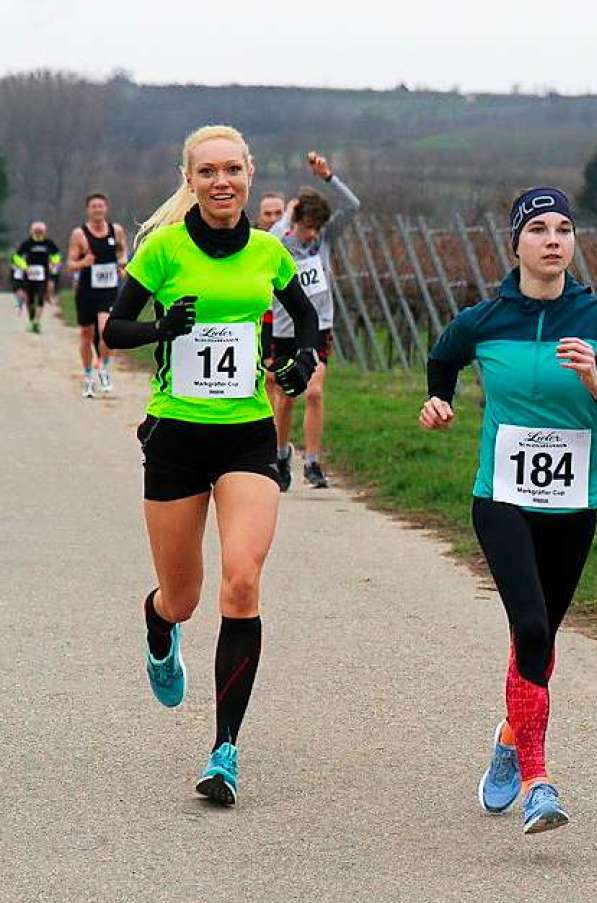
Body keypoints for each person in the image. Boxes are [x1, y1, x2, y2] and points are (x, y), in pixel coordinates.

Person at [103, 124, 320, 807]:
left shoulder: (268, 253)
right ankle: (159, 625)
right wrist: (162, 330)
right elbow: (115, 330)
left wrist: (299, 359)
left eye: (232, 169)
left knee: (243, 580)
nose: (221, 181)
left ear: (250, 175)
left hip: (247, 438)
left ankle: (224, 750)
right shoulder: (162, 249)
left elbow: (305, 323)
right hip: (175, 437)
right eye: (207, 172)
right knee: (185, 597)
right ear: (189, 179)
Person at [420, 187, 597, 835]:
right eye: (539, 229)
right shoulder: (485, 319)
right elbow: (442, 358)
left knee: (540, 642)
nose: (553, 240)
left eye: (564, 229)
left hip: (574, 505)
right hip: (502, 499)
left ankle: (506, 738)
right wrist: (440, 402)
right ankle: (538, 782)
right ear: (515, 242)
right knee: (529, 627)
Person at [270, 152, 360, 490]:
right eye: (308, 228)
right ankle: (280, 455)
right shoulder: (279, 241)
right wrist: (290, 217)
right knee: (286, 396)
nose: (312, 235)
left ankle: (312, 461)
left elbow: (353, 207)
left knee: (315, 393)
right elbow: (279, 230)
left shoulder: (324, 240)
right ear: (296, 222)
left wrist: (328, 178)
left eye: (316, 229)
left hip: (319, 326)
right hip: (285, 328)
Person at [67, 193, 128, 397]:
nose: (97, 210)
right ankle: (87, 375)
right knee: (87, 334)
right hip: (86, 291)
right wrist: (83, 263)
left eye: (100, 206)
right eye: (93, 206)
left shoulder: (116, 230)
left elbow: (122, 253)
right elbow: (70, 264)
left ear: (106, 208)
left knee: (106, 331)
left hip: (109, 291)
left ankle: (103, 367)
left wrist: (122, 265)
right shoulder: (80, 234)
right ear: (88, 210)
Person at [256, 191, 286, 409]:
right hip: (259, 319)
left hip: (284, 322)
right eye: (268, 214)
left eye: (279, 213)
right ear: (259, 217)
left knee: (277, 380)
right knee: (265, 378)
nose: (274, 219)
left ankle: (276, 438)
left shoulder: (293, 245)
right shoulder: (250, 243)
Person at [12, 221, 61, 332]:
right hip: (29, 274)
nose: (39, 233)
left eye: (41, 231)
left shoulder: (48, 243)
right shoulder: (27, 243)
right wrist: (24, 266)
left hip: (43, 274)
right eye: (36, 231)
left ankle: (37, 322)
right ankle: (31, 319)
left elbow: (57, 255)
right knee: (29, 297)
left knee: (40, 296)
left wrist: (53, 262)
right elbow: (16, 257)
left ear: (44, 231)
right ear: (32, 231)